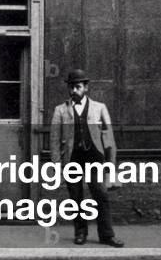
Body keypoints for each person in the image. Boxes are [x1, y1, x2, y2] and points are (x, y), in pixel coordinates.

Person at [49, 69, 125, 247]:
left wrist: (110, 164)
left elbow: (108, 137)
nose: (74, 91)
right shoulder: (60, 110)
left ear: (86, 88)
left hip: (94, 158)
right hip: (72, 159)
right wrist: (56, 164)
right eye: (71, 87)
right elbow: (53, 140)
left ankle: (107, 235)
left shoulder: (99, 108)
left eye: (78, 87)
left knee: (101, 194)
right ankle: (80, 232)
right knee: (76, 198)